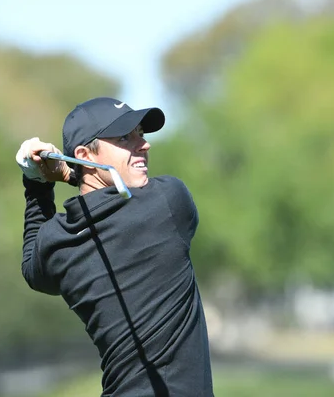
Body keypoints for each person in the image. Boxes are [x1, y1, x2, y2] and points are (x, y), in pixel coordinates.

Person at [17, 97, 214, 396]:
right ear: (85, 154)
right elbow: (117, 201)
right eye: (125, 137)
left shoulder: (56, 241)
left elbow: (32, 267)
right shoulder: (168, 203)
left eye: (141, 134)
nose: (143, 144)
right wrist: (69, 175)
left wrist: (38, 183)